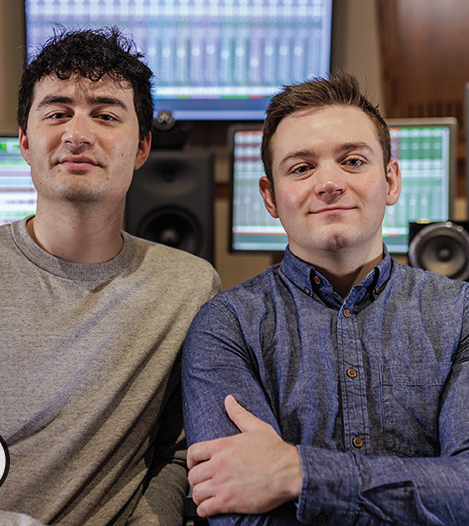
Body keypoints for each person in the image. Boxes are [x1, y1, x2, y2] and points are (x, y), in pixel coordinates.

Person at [0, 28, 220, 525]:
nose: (77, 133)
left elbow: (179, 455)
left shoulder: (189, 287)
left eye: (106, 114)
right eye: (56, 113)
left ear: (142, 148)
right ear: (26, 143)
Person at [182, 72, 469, 525]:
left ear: (391, 181)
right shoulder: (225, 325)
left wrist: (297, 473)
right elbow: (237, 513)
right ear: (270, 197)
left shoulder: (461, 314)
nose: (328, 183)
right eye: (301, 168)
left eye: (353, 161)